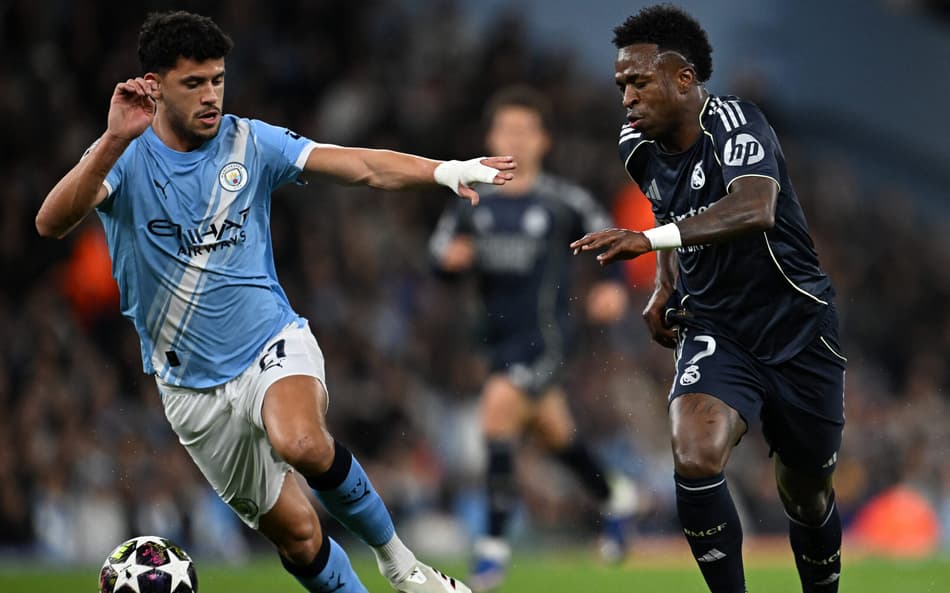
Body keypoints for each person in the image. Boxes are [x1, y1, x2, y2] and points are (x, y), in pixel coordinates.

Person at [35, 11, 517, 593]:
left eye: (217, 79)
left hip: (270, 342)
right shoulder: (125, 156)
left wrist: (444, 170)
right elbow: (50, 222)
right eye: (194, 84)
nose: (212, 95)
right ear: (155, 85)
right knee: (300, 537)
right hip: (190, 392)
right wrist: (113, 138)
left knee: (302, 441)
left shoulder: (249, 141)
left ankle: (403, 566)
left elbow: (359, 166)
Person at [571, 5, 846, 593]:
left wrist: (647, 243)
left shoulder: (738, 123)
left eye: (639, 82)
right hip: (717, 326)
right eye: (621, 85)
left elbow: (754, 207)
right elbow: (671, 209)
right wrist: (665, 282)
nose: (626, 98)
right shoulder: (636, 145)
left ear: (684, 79)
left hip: (798, 326)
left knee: (807, 494)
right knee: (694, 453)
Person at [429, 86, 637, 592]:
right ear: (490, 138)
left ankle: (491, 552)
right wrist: (447, 262)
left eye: (525, 131)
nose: (515, 140)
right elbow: (437, 255)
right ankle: (614, 495)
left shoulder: (564, 201)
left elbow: (611, 239)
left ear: (544, 140)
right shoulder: (470, 202)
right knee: (554, 434)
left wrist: (611, 288)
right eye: (506, 130)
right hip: (495, 344)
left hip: (549, 341)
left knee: (497, 414)